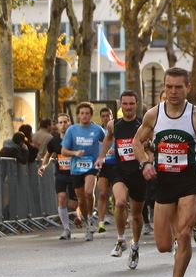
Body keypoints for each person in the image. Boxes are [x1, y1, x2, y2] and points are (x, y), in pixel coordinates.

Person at [134, 67, 196, 277]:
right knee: (163, 245)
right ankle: (175, 246)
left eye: (178, 87)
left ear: (188, 88)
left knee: (184, 233)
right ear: (164, 87)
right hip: (164, 181)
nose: (173, 91)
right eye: (169, 86)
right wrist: (144, 163)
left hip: (189, 180)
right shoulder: (154, 115)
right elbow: (136, 142)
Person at [97, 91, 148, 267]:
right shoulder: (114, 124)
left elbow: (151, 143)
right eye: (125, 104)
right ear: (120, 105)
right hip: (120, 171)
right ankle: (120, 240)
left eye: (131, 104)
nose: (128, 107)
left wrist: (149, 158)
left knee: (136, 214)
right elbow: (108, 138)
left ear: (137, 104)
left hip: (138, 172)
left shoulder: (143, 123)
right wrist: (101, 156)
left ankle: (135, 245)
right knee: (119, 202)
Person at [61, 103, 106, 241]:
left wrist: (101, 157)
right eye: (82, 113)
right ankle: (87, 221)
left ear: (91, 115)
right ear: (78, 115)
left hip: (91, 166)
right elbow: (63, 151)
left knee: (88, 192)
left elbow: (108, 143)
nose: (84, 116)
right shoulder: (72, 130)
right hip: (76, 167)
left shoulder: (98, 130)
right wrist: (75, 152)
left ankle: (92, 217)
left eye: (87, 113)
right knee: (81, 199)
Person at [39, 113, 78, 239]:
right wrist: (43, 166)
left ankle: (86, 220)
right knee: (61, 198)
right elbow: (48, 155)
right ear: (57, 125)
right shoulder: (54, 141)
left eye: (65, 122)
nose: (63, 125)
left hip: (76, 173)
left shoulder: (76, 139)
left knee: (73, 205)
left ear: (70, 123)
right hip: (61, 173)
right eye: (60, 122)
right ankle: (66, 229)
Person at [94, 108, 118, 233]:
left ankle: (121, 219)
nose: (105, 118)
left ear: (112, 116)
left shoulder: (117, 128)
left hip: (117, 165)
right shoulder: (99, 131)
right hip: (104, 166)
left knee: (117, 196)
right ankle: (101, 222)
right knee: (103, 193)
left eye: (107, 115)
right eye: (103, 116)